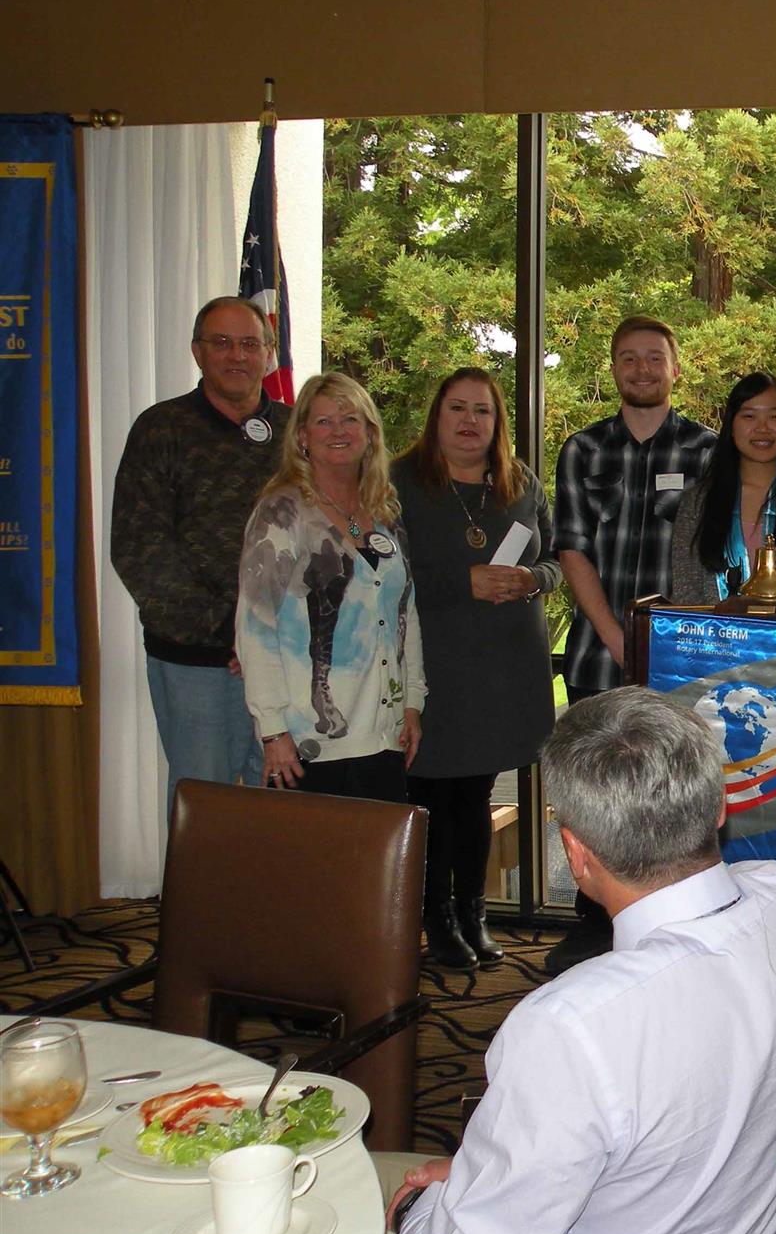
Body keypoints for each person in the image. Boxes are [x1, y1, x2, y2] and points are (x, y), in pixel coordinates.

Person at [389, 687, 776, 1234]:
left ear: (576, 855)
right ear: (719, 807)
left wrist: (423, 1207)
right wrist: (484, 1181)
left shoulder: (571, 1030)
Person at [549, 315, 717, 971]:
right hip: (600, 654)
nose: (642, 369)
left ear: (676, 368)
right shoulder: (582, 450)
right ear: (614, 367)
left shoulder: (708, 452)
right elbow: (572, 549)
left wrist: (667, 648)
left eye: (654, 358)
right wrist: (618, 637)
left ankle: (679, 928)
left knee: (679, 796)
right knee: (596, 795)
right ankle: (594, 925)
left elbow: (717, 553)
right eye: (629, 358)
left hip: (684, 660)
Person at [391, 368, 560, 972]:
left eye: (482, 410)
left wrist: (531, 579)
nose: (469, 421)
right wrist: (464, 581)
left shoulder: (521, 483)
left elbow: (556, 560)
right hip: (434, 667)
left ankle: (473, 912)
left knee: (477, 795)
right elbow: (381, 573)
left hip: (504, 669)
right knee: (432, 795)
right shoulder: (400, 482)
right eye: (457, 408)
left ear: (497, 421)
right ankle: (435, 917)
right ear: (436, 416)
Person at [111, 297, 289, 801]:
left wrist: (280, 633)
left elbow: (334, 528)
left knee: (288, 813)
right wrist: (235, 631)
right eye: (222, 343)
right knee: (205, 809)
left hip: (289, 657)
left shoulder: (298, 431)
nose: (237, 355)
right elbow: (140, 549)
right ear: (197, 352)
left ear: (268, 354)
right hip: (199, 663)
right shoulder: (161, 428)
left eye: (250, 344)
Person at [236, 372, 423, 803]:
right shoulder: (281, 514)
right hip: (307, 745)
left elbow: (404, 612)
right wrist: (272, 731)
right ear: (302, 437)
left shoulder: (385, 513)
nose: (338, 431)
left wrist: (412, 703)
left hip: (384, 735)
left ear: (370, 433)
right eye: (324, 421)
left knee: (379, 850)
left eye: (350, 419)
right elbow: (255, 627)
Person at [670, 372, 776, 605]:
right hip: (710, 630)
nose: (763, 428)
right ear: (731, 426)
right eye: (749, 416)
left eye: (775, 416)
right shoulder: (697, 502)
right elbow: (685, 593)